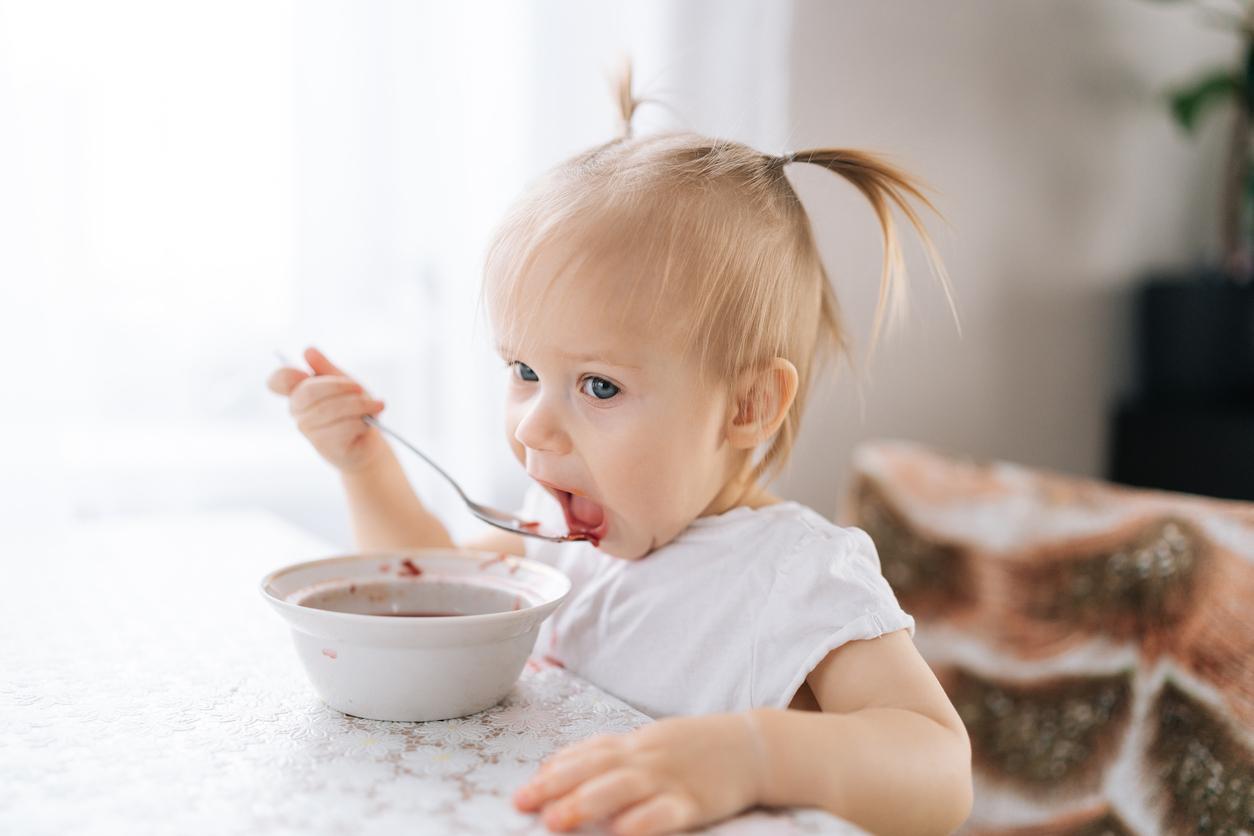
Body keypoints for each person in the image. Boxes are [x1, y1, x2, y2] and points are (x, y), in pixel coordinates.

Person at [267, 66, 972, 836]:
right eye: (525, 372)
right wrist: (366, 467)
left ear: (746, 406)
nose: (535, 425)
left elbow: (939, 771)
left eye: (598, 387)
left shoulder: (797, 576)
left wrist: (752, 754)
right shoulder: (560, 534)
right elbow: (431, 605)